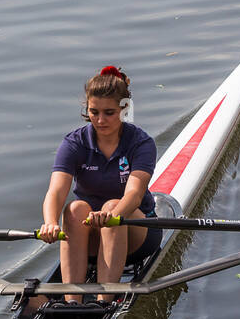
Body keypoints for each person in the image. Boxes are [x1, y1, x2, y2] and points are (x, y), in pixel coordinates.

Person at [38, 65, 162, 303]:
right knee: (73, 210)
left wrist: (112, 215)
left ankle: (103, 302)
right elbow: (56, 191)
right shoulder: (74, 143)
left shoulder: (141, 143)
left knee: (113, 207)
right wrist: (50, 223)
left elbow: (134, 195)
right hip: (89, 229)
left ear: (124, 109)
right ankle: (71, 302)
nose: (100, 120)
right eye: (94, 112)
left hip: (137, 231)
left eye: (109, 112)